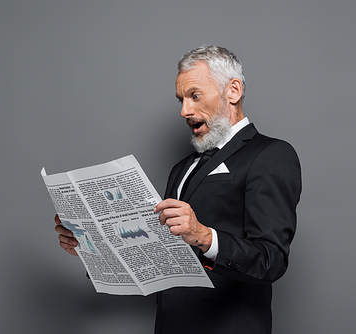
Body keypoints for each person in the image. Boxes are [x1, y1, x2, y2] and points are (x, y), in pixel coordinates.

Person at [54, 45, 301, 334]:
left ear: (233, 91)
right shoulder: (182, 168)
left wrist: (204, 236)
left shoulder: (271, 154)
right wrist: (92, 248)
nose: (185, 111)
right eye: (181, 99)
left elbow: (271, 260)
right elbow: (160, 257)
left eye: (194, 96)